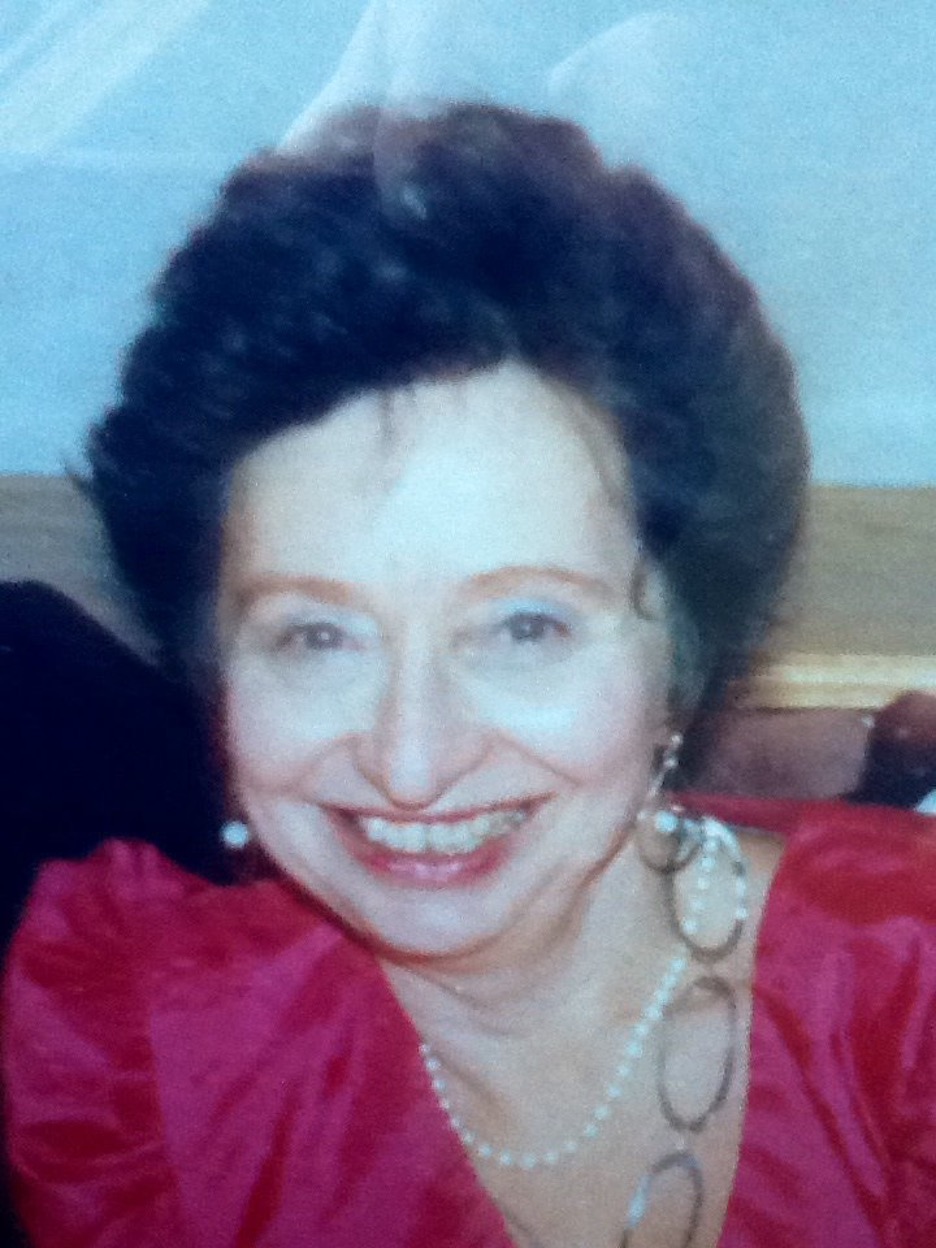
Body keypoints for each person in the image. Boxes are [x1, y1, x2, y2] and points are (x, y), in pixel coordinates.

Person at [3, 103, 935, 1248]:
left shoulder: (907, 999)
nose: (410, 760)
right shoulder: (138, 1059)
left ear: (686, 658)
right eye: (317, 636)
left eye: (524, 629)